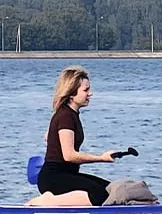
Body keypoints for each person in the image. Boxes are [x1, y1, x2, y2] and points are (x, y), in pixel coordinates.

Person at [26, 66, 117, 206]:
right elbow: (69, 156)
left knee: (109, 190)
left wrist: (51, 137)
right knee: (100, 194)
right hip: (54, 178)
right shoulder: (66, 116)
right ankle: (48, 201)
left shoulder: (69, 114)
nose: (90, 94)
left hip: (68, 175)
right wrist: (101, 158)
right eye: (86, 90)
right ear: (72, 94)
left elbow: (52, 136)